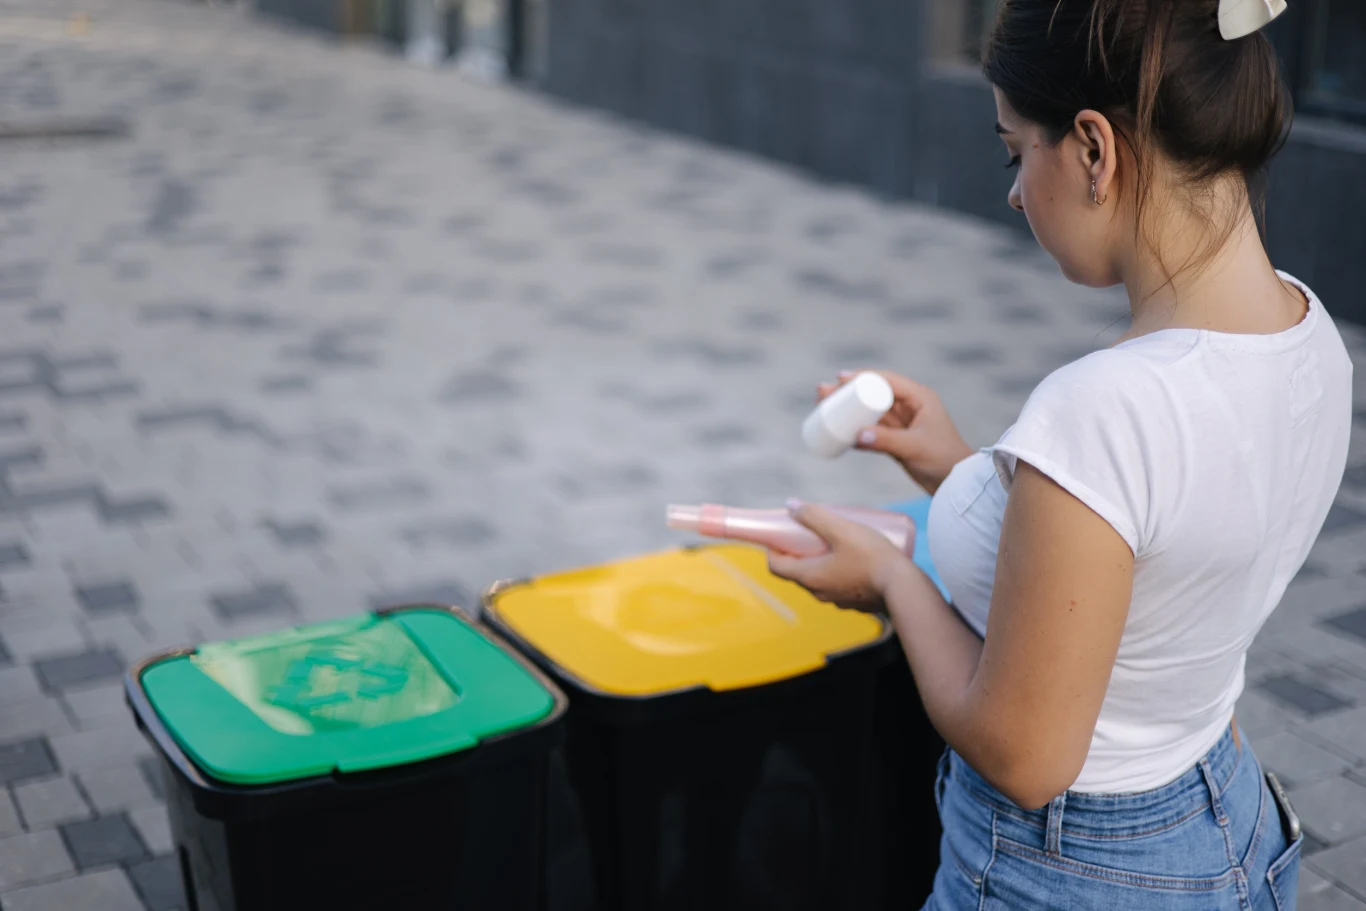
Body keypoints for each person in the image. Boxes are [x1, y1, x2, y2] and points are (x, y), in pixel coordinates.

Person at [768, 0, 1353, 908]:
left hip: (1071, 865)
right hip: (1228, 822)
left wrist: (892, 577)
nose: (1012, 189)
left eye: (1014, 150)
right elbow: (1163, 555)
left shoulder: (1105, 408)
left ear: (1093, 148)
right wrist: (963, 466)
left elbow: (1025, 755)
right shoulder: (1311, 335)